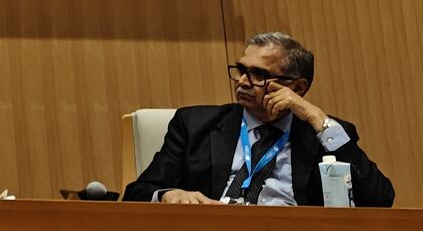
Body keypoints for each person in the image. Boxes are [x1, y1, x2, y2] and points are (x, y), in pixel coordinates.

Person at [125, 31, 394, 206]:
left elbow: (379, 199)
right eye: (241, 70)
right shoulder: (195, 124)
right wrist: (169, 195)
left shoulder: (324, 134)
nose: (242, 81)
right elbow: (137, 193)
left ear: (297, 88)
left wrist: (318, 119)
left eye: (258, 75)